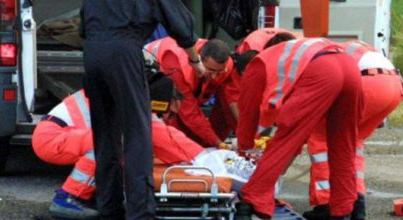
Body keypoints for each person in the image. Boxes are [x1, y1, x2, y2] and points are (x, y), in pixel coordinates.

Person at [32, 74, 255, 219]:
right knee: (107, 145)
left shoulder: (122, 94)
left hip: (57, 134)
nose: (163, 117)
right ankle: (67, 198)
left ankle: (87, 195)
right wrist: (206, 158)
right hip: (53, 138)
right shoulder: (130, 102)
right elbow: (166, 139)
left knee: (113, 143)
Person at [79, 1, 205, 219]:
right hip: (123, 51)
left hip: (92, 52)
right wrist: (195, 61)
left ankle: (109, 208)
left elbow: (82, 27)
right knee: (137, 133)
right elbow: (181, 25)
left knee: (105, 135)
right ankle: (141, 212)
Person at [234, 38, 363, 219]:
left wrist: (244, 146)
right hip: (350, 67)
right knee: (343, 142)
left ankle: (252, 198)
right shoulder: (288, 54)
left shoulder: (256, 65)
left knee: (288, 136)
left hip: (324, 69)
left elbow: (247, 112)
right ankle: (344, 205)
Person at [303, 40, 403, 220]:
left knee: (320, 140)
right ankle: (357, 205)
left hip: (366, 84)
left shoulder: (312, 58)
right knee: (353, 144)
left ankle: (326, 205)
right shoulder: (347, 48)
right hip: (394, 87)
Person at [145, 37, 237, 149]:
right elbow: (190, 113)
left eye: (219, 72)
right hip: (148, 83)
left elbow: (228, 103)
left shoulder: (226, 65)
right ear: (199, 61)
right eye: (211, 71)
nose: (214, 77)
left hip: (181, 83)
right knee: (173, 135)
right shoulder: (176, 65)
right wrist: (216, 142)